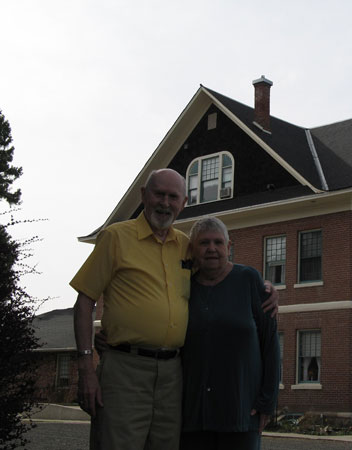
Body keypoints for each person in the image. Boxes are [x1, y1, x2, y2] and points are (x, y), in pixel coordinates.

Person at [71, 169, 278, 450]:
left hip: (172, 375)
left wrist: (265, 286)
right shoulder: (116, 237)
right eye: (159, 194)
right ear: (144, 195)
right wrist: (86, 365)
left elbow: (218, 270)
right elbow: (85, 301)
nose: (165, 203)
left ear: (183, 203)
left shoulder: (184, 245)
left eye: (173, 197)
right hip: (125, 368)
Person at [180, 216, 279, 450]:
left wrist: (267, 401)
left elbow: (270, 346)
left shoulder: (249, 280)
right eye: (204, 243)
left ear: (229, 246)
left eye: (218, 242)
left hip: (240, 413)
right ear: (192, 249)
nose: (211, 248)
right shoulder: (182, 286)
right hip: (193, 415)